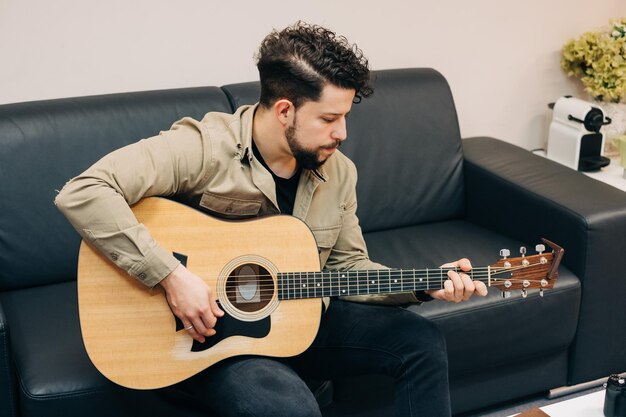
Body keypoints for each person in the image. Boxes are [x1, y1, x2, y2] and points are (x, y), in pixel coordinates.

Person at [55, 21, 488, 417]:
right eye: (329, 119)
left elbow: (346, 269)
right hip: (211, 335)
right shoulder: (203, 148)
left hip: (303, 317)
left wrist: (424, 284)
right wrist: (171, 276)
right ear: (285, 111)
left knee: (421, 343)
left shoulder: (339, 171)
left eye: (346, 117)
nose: (343, 133)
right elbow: (84, 191)